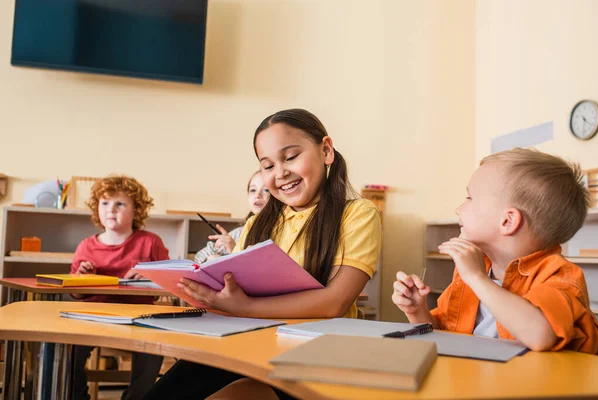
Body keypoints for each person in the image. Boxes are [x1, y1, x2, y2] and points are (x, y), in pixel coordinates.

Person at [143, 108, 382, 400]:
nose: (280, 173)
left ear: (326, 151)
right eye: (267, 166)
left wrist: (243, 307)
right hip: (248, 342)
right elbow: (237, 288)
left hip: (317, 353)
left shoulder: (358, 214)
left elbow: (335, 302)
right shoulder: (260, 221)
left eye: (291, 157)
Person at [392, 148, 598, 354]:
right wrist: (418, 311)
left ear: (507, 221)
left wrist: (476, 278)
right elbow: (445, 335)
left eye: (470, 198)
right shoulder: (475, 268)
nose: (459, 208)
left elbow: (540, 335)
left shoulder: (560, 275)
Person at [71, 175, 169, 400]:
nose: (110, 210)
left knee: (154, 350)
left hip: (141, 319)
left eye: (120, 204)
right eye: (105, 203)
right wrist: (82, 278)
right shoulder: (86, 246)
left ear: (136, 211)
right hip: (94, 317)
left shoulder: (151, 242)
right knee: (70, 350)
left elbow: (168, 283)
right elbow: (76, 294)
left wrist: (149, 276)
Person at [194, 170, 269, 263]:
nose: (257, 195)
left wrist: (235, 250)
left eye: (266, 190)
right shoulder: (240, 232)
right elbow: (199, 257)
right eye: (253, 190)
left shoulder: (282, 231)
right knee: (212, 258)